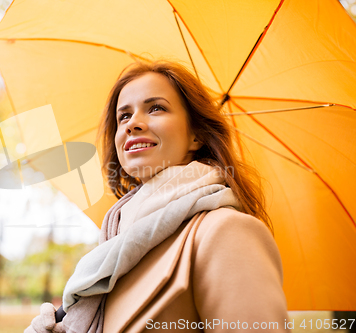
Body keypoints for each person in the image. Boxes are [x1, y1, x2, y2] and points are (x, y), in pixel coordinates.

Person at [25, 59, 290, 332]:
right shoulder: (112, 246)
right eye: (124, 116)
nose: (133, 124)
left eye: (156, 108)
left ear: (196, 135)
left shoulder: (227, 232)